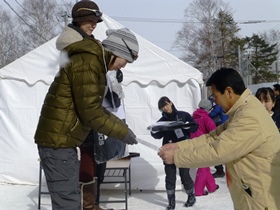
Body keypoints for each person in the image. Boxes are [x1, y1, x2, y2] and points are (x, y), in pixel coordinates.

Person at [34, 2, 139, 209]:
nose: (123, 66)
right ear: (118, 52)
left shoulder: (92, 60)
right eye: (125, 61)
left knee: (71, 199)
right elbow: (90, 111)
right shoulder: (89, 61)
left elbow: (91, 107)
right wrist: (121, 131)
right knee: (68, 204)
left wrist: (121, 129)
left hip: (62, 140)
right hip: (58, 142)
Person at [158, 68, 280, 210]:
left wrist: (177, 156)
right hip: (251, 195)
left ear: (228, 91)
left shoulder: (249, 116)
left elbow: (219, 151)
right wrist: (179, 146)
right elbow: (212, 137)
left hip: (261, 199)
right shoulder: (242, 110)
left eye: (215, 96)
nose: (214, 101)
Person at [55, 1, 126, 209]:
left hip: (91, 111)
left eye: (96, 21)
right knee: (84, 159)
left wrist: (112, 71)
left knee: (94, 159)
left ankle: (90, 204)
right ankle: (87, 205)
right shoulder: (74, 45)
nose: (94, 25)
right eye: (91, 21)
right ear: (78, 19)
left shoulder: (89, 42)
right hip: (78, 113)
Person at [150, 96, 198, 210]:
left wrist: (186, 126)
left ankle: (191, 196)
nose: (165, 108)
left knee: (184, 175)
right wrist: (154, 131)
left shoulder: (183, 115)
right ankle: (171, 202)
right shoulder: (162, 121)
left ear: (171, 103)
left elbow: (195, 126)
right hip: (168, 152)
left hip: (183, 150)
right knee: (170, 177)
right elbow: (156, 134)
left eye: (166, 105)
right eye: (162, 107)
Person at [190, 99, 219, 196]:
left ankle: (212, 186)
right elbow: (214, 131)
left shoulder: (193, 117)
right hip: (204, 145)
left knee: (205, 166)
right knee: (203, 167)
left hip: (193, 144)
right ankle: (198, 191)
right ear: (208, 109)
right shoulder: (206, 119)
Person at [208, 97, 229, 178]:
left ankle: (219, 170)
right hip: (230, 126)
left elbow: (212, 114)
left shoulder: (219, 105)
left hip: (223, 127)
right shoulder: (229, 104)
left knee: (218, 148)